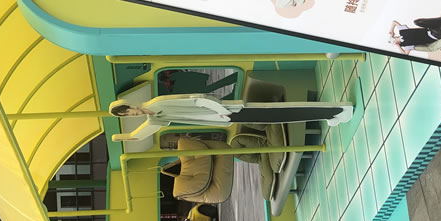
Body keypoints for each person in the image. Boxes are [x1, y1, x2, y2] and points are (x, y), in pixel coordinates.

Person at [108, 94, 353, 142]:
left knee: (284, 111)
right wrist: (125, 137)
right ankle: (331, 114)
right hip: (226, 117)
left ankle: (338, 109)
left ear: (131, 104)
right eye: (129, 115)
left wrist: (219, 110)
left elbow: (197, 99)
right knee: (282, 117)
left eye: (129, 110)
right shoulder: (157, 117)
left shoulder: (159, 104)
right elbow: (144, 133)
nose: (133, 114)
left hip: (228, 110)